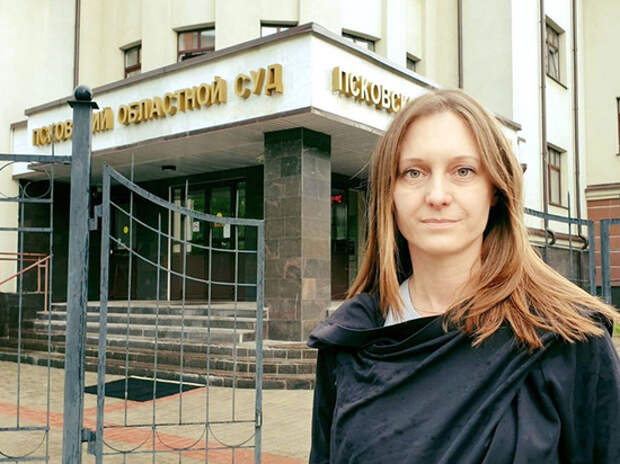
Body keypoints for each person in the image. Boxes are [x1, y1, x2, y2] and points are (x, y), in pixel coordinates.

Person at [307, 89, 620, 463]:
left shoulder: (568, 339)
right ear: (390, 193)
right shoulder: (349, 341)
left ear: (495, 190)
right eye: (414, 172)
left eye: (463, 171)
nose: (437, 195)